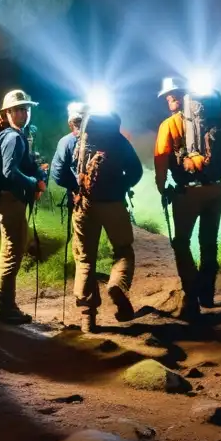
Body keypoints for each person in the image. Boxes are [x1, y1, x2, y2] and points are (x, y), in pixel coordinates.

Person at [154, 76, 221, 320]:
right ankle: (207, 294)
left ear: (181, 96)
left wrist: (162, 186)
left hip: (187, 194)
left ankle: (191, 297)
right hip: (216, 191)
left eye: (170, 95)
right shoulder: (219, 119)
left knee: (181, 243)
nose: (168, 98)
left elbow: (161, 159)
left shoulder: (169, 125)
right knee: (209, 242)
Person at [51, 101, 143, 333]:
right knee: (123, 250)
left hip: (84, 205)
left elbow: (57, 174)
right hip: (114, 204)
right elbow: (136, 171)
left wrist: (76, 188)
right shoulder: (116, 139)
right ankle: (116, 285)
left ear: (72, 121)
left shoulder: (67, 142)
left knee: (85, 258)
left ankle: (87, 318)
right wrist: (121, 186)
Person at [0, 89, 48, 325]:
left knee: (10, 250)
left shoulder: (14, 135)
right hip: (10, 200)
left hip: (11, 200)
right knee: (12, 252)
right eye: (18, 109)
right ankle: (6, 308)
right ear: (8, 113)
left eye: (26, 109)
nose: (24, 113)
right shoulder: (12, 137)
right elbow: (8, 172)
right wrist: (33, 182)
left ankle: (4, 305)